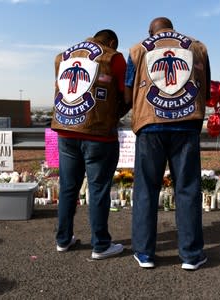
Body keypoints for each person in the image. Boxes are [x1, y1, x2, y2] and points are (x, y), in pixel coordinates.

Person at [124, 17, 210, 270]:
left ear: (151, 30)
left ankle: (145, 254)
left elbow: (129, 93)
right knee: (188, 190)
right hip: (186, 125)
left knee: (146, 191)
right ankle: (192, 256)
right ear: (172, 28)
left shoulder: (137, 49)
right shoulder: (197, 47)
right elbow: (204, 90)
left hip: (150, 126)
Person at [51, 29, 129, 259]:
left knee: (67, 188)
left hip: (65, 131)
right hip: (99, 135)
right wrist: (114, 116)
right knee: (98, 190)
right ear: (112, 42)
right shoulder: (112, 57)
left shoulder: (63, 56)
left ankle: (63, 240)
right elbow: (126, 96)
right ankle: (101, 245)